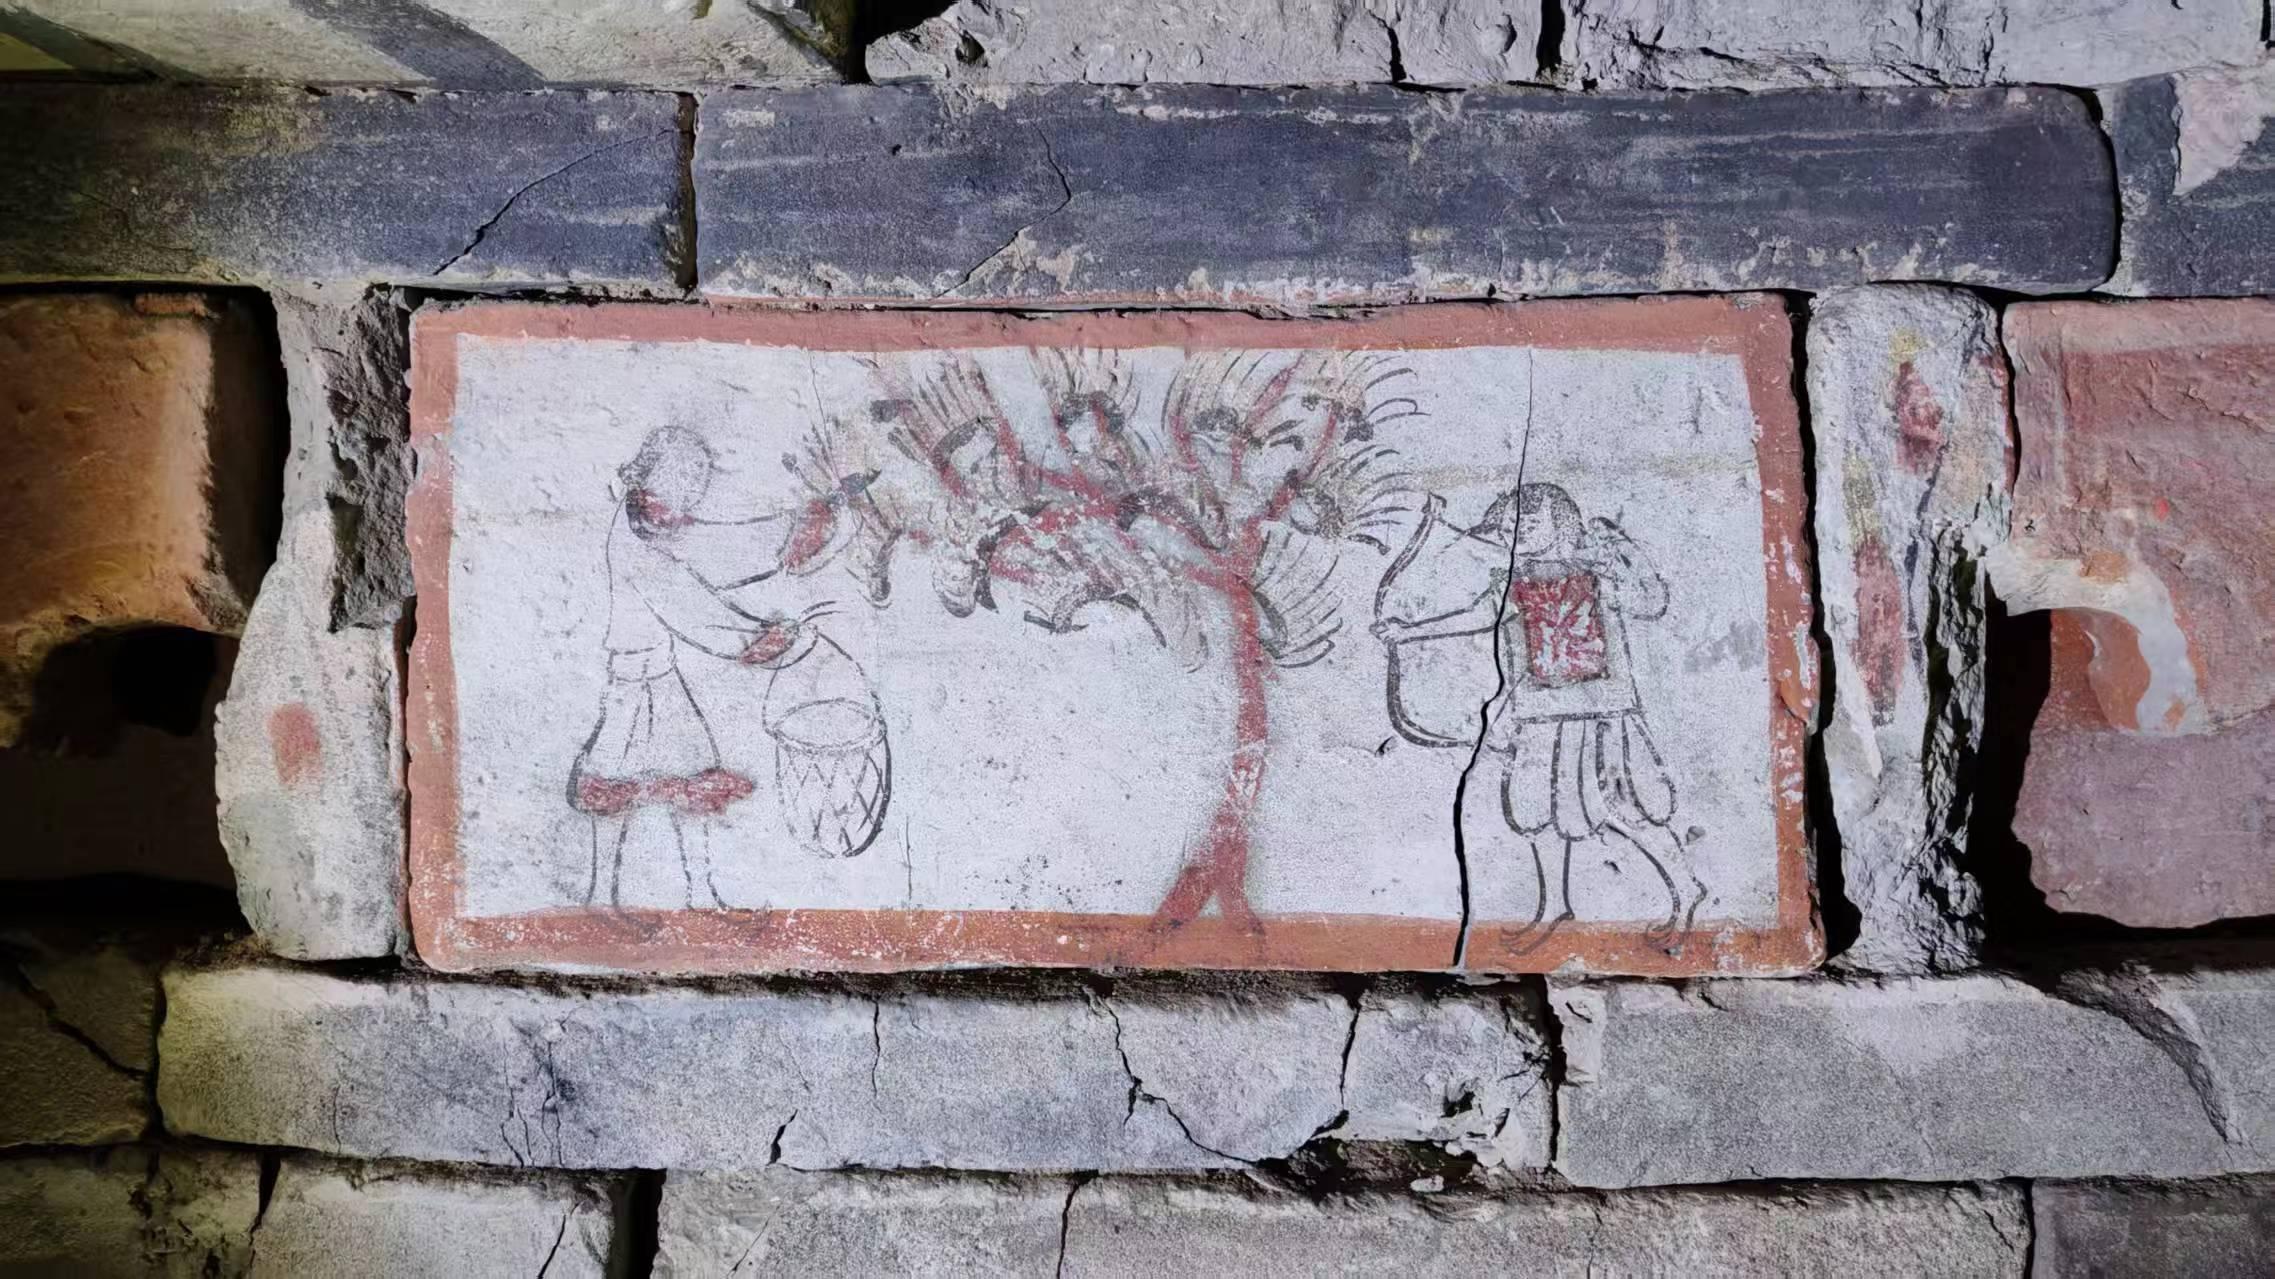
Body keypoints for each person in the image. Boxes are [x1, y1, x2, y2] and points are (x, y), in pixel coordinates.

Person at [1374, 482, 1704, 948]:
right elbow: (1479, 616)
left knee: (1628, 807)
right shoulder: (1516, 580)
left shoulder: (1599, 570)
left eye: (1528, 523)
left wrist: (1627, 554)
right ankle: (1554, 906)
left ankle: (1686, 888)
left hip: (1601, 712)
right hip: (1538, 713)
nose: (1519, 532)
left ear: (1561, 522)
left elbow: (1650, 602)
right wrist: (1408, 632)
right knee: (1539, 813)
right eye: (1511, 526)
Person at [567, 425, 854, 908]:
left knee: (694, 773)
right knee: (612, 786)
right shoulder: (636, 544)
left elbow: (715, 544)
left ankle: (700, 896)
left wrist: (796, 526)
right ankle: (599, 899)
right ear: (652, 483)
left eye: (693, 492)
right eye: (683, 491)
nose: (688, 506)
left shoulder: (651, 521)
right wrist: (754, 639)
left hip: (660, 677)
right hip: (633, 685)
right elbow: (686, 605)